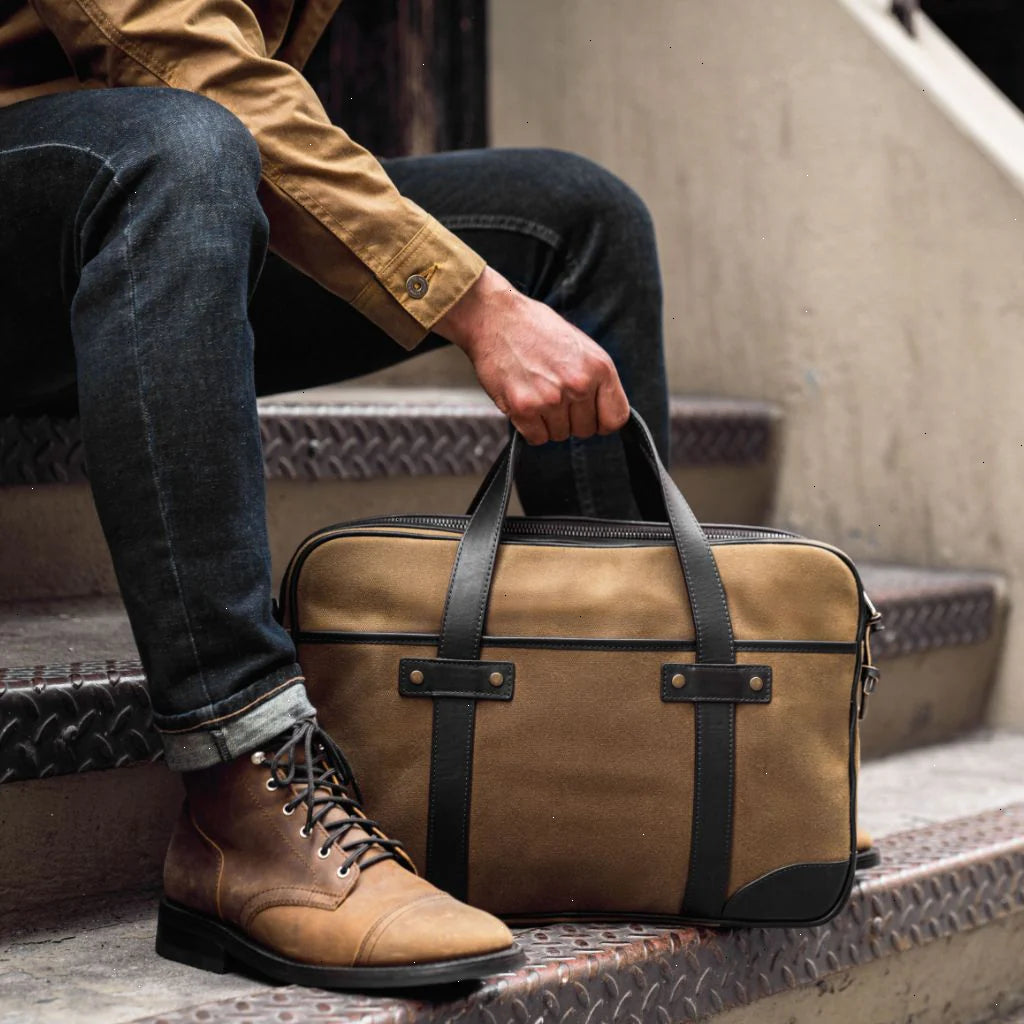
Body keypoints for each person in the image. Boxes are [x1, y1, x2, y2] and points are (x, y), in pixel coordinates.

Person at [0, 0, 669, 990]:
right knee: (185, 145)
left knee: (575, 217)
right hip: (89, 191)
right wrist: (479, 307)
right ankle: (245, 794)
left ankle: (637, 769)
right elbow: (182, 54)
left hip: (130, 216)